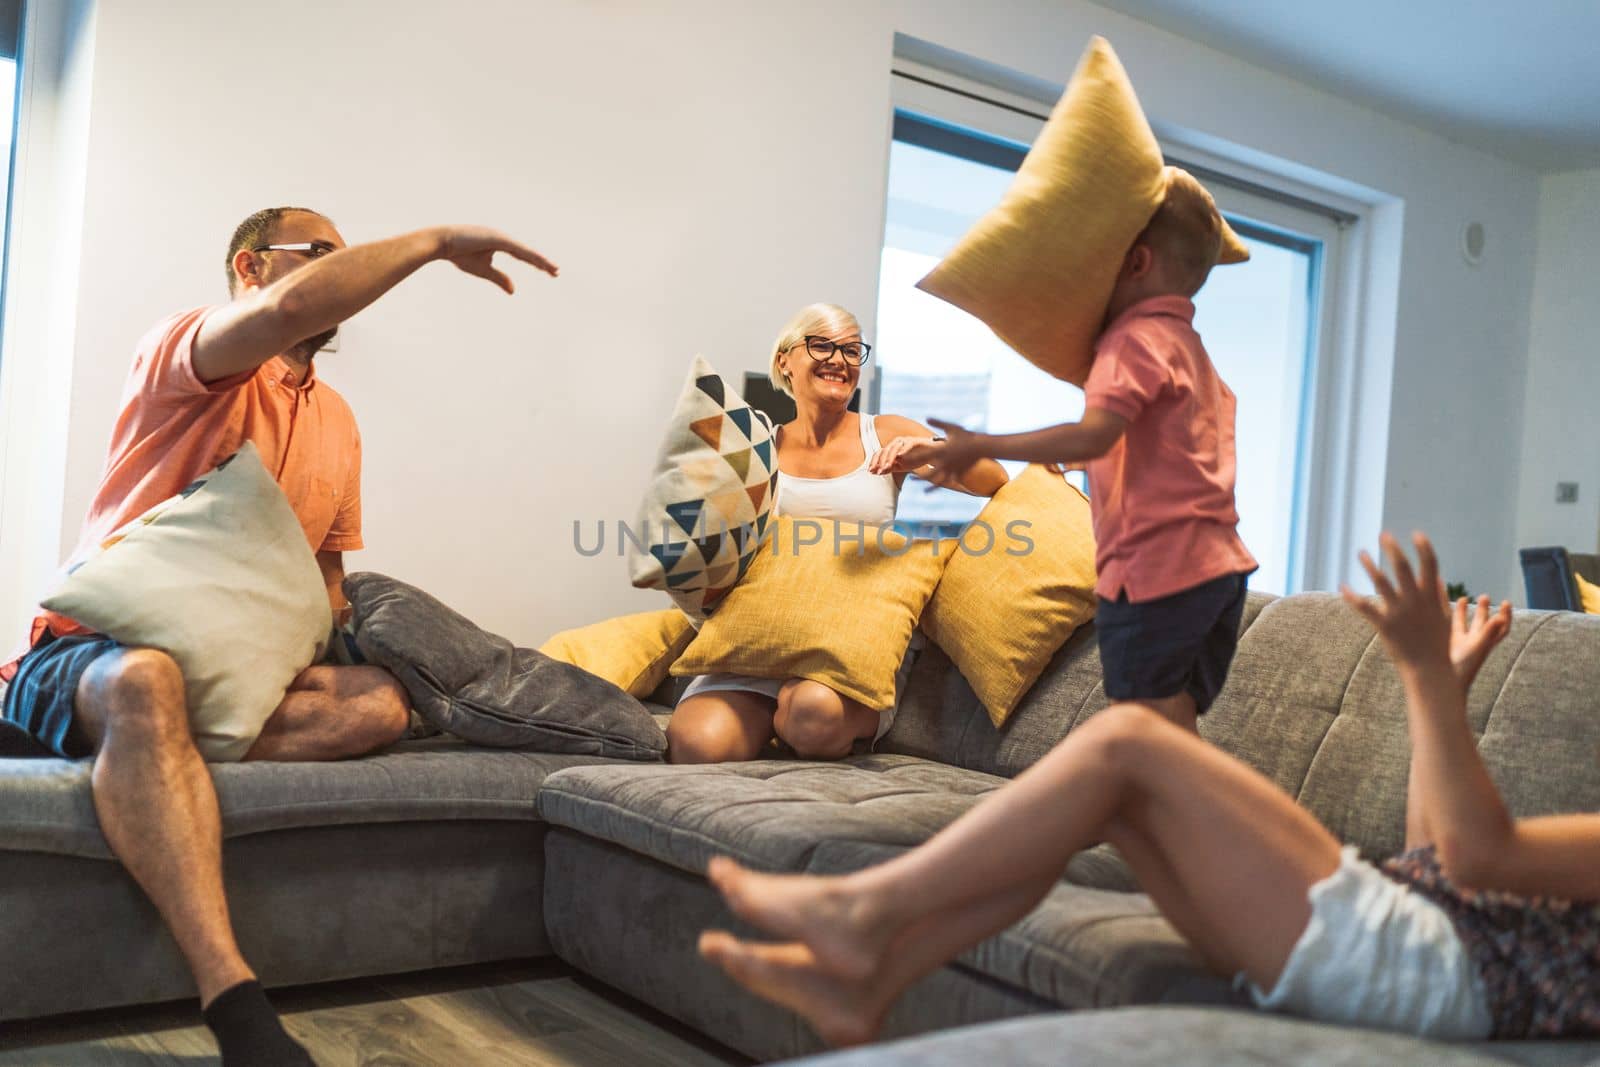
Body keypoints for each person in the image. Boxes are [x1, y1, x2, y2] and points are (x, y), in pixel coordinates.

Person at [0, 207, 557, 1066]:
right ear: (253, 267)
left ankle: (130, 755)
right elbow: (283, 318)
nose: (344, 269)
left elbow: (326, 579)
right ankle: (234, 1000)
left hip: (234, 675)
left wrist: (347, 645)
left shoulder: (337, 418)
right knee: (147, 679)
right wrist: (437, 243)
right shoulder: (187, 355)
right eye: (323, 255)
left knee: (377, 705)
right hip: (96, 646)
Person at [699, 532, 1600, 1045]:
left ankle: (863, 916)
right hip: (1403, 947)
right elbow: (1436, 865)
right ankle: (879, 973)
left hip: (1413, 971)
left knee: (1131, 739)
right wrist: (1430, 688)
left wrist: (1432, 685)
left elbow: (1479, 858)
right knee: (1117, 791)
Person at [899, 170, 1257, 732]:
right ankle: (1169, 819)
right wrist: (1093, 461)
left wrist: (984, 444)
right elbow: (1173, 447)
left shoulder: (1131, 340)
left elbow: (1094, 431)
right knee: (1173, 729)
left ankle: (1158, 816)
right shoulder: (1190, 349)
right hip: (1219, 572)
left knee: (1138, 731)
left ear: (1134, 264)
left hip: (1157, 573)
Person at [666, 303, 1008, 764]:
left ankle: (796, 719)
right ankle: (772, 717)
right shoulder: (761, 447)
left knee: (811, 714)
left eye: (851, 350)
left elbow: (993, 479)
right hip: (763, 641)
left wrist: (932, 451)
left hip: (850, 646)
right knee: (696, 744)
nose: (840, 360)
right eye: (821, 345)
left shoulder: (884, 433)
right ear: (785, 359)